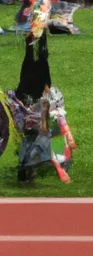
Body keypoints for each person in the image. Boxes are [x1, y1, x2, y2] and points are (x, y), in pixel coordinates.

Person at [2, 34, 75, 183]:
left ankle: (27, 172)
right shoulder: (46, 101)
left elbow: (34, 62)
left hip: (30, 120)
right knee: (49, 137)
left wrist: (34, 40)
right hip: (38, 123)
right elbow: (47, 128)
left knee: (35, 142)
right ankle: (58, 164)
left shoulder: (19, 100)